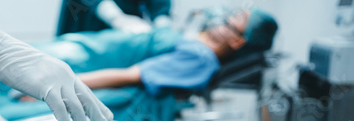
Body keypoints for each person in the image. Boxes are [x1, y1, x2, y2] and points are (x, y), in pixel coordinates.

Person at [75, 8, 278, 97]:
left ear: (237, 40)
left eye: (237, 17)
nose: (227, 14)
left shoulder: (200, 59)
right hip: (89, 46)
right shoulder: (197, 41)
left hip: (86, 60)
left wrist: (70, 82)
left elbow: (127, 75)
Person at [57, 0, 171, 35]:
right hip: (85, 24)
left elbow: (160, 4)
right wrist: (116, 17)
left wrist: (162, 19)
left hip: (129, 34)